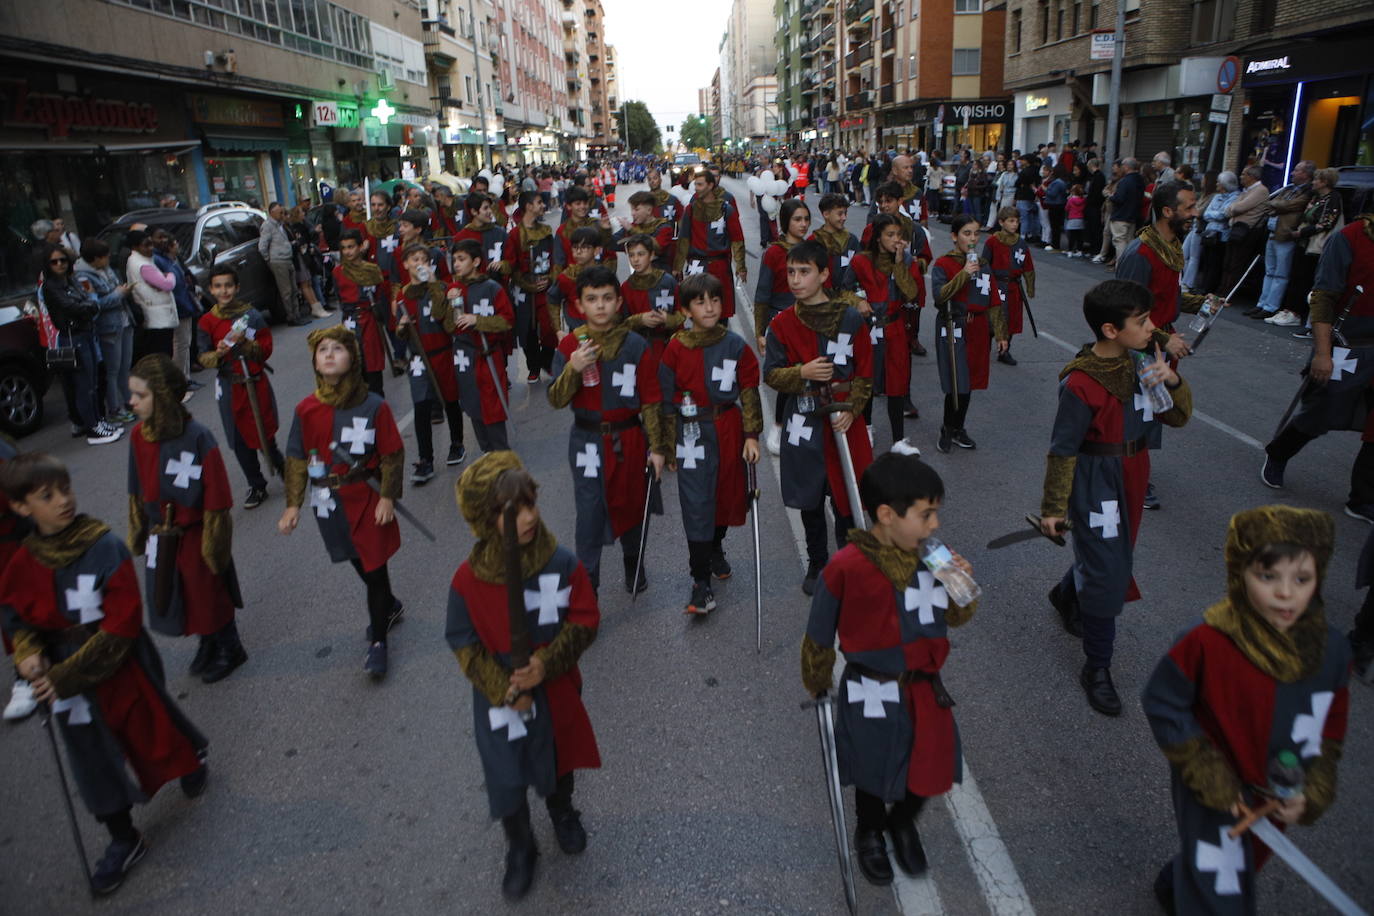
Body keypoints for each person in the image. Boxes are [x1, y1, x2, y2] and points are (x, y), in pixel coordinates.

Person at [0, 452, 208, 895]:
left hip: (114, 664)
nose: (63, 501)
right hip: (63, 683)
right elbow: (18, 621)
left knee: (148, 726)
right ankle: (122, 836)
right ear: (21, 507)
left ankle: (187, 756)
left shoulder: (103, 545)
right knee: (89, 758)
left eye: (66, 489)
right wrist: (29, 653)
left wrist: (62, 676)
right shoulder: (22, 565)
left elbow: (121, 624)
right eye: (47, 496)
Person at [1142, 506, 1350, 915]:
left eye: (1302, 578)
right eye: (1267, 576)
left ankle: (1175, 882)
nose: (1286, 593)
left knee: (1244, 864)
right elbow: (1163, 702)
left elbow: (1329, 729)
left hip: (1277, 795)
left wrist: (1313, 792)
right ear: (1241, 574)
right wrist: (1212, 778)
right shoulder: (1207, 641)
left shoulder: (1333, 652)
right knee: (1220, 890)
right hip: (1216, 789)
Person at [800, 452, 977, 885]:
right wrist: (818, 679)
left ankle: (903, 822)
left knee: (930, 763)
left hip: (923, 686)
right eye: (926, 514)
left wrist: (961, 589)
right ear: (886, 515)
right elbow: (820, 632)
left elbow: (958, 615)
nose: (935, 524)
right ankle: (871, 831)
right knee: (873, 767)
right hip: (872, 687)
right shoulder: (846, 567)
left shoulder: (934, 556)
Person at [446, 450, 601, 900]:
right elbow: (462, 640)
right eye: (514, 512)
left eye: (531, 504)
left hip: (552, 690)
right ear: (483, 518)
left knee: (557, 761)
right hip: (502, 700)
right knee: (506, 775)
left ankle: (562, 811)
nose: (529, 517)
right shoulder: (467, 580)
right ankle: (519, 844)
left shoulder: (560, 563)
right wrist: (503, 687)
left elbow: (585, 618)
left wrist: (547, 664)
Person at [1041, 280, 1193, 715]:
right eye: (1142, 322)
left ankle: (1067, 592)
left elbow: (1178, 417)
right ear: (1111, 329)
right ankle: (1098, 668)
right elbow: (1063, 449)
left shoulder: (1146, 361)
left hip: (1134, 472)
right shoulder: (1080, 383)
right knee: (1109, 570)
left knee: (1113, 553)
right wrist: (1053, 508)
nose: (1153, 329)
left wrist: (1173, 379)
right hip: (1096, 480)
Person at [278, 326, 405, 678]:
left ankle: (378, 642)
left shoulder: (373, 405)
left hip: (366, 498)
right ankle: (388, 605)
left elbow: (392, 455)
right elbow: (297, 458)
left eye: (338, 348)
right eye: (322, 350)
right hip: (329, 503)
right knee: (358, 562)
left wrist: (387, 496)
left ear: (353, 358)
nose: (330, 354)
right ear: (315, 363)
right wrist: (293, 505)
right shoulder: (306, 410)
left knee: (375, 569)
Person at [547, 265, 668, 593]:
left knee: (631, 503)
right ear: (579, 305)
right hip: (586, 440)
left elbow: (652, 400)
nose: (600, 305)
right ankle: (588, 585)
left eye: (606, 298)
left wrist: (657, 448)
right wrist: (574, 369)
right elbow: (556, 399)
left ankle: (634, 562)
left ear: (618, 302)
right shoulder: (571, 345)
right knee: (589, 513)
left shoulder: (635, 345)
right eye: (591, 299)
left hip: (628, 437)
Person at [126, 354, 246, 683]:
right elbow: (135, 484)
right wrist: (139, 528)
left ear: (163, 396)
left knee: (208, 593)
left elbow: (217, 493)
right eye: (133, 394)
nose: (132, 402)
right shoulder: (139, 436)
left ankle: (229, 645)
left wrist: (214, 541)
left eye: (141, 395)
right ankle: (207, 642)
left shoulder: (196, 437)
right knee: (179, 593)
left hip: (195, 533)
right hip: (160, 534)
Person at [763, 241, 874, 595]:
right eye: (791, 272)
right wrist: (803, 371)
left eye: (804, 272)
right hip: (804, 419)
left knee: (846, 495)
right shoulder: (782, 324)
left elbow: (866, 374)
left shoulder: (851, 318)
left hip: (842, 419)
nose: (795, 280)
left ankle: (849, 562)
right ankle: (817, 561)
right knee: (810, 497)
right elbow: (772, 375)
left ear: (824, 274)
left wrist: (853, 409)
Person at [1260, 203, 1374, 522]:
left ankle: (1363, 497)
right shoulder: (1348, 239)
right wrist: (1323, 354)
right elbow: (1323, 297)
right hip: (1347, 345)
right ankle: (1278, 453)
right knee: (1321, 412)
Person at [658, 272, 763, 614]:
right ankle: (699, 581)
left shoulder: (734, 345)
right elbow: (665, 397)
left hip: (727, 428)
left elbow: (748, 391)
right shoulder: (675, 346)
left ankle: (716, 547)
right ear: (686, 310)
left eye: (715, 300)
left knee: (724, 496)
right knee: (696, 502)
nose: (710, 307)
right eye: (701, 302)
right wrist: (666, 444)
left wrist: (751, 436)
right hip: (692, 434)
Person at [196, 266, 283, 509]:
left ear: (237, 288)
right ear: (211, 289)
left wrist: (246, 344)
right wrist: (218, 354)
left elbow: (265, 348)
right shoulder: (207, 321)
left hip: (253, 383)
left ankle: (285, 469)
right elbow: (202, 357)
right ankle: (256, 484)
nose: (224, 291)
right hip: (229, 384)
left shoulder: (251, 316)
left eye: (228, 285)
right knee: (238, 439)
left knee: (263, 432)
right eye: (218, 286)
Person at [929, 215, 1008, 453]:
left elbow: (993, 300)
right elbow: (940, 296)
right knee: (956, 381)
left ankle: (959, 427)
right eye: (966, 233)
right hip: (953, 326)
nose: (972, 238)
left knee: (970, 381)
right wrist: (964, 272)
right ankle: (947, 427)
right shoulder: (944, 264)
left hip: (978, 329)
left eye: (975, 234)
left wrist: (1001, 334)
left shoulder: (984, 265)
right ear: (954, 236)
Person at [393, 244, 467, 481]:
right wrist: (402, 326)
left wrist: (434, 284)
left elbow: (441, 316)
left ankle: (457, 443)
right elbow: (400, 332)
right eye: (415, 259)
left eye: (424, 259)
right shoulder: (403, 295)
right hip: (419, 358)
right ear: (405, 264)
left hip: (442, 352)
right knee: (421, 406)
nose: (420, 263)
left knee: (450, 399)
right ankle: (426, 459)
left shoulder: (440, 288)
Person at [844, 213, 918, 449]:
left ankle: (898, 438)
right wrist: (857, 301)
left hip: (894, 326)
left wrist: (899, 263)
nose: (896, 239)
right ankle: (866, 427)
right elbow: (842, 291)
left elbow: (911, 293)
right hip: (869, 328)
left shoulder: (905, 261)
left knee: (896, 381)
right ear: (878, 238)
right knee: (866, 377)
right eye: (890, 235)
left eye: (899, 235)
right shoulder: (860, 261)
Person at [445, 238, 514, 454]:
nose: (456, 264)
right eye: (454, 259)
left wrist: (478, 320)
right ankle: (486, 453)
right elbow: (450, 326)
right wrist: (450, 305)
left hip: (488, 355)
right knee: (473, 404)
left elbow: (507, 321)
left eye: (461, 259)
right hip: (465, 355)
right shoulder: (454, 290)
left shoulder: (492, 288)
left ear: (475, 262)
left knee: (492, 406)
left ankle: (501, 455)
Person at [1270, 166, 1343, 329]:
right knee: (1296, 275)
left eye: (1317, 179)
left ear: (1325, 182)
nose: (1314, 182)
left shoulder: (1333, 199)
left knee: (1305, 278)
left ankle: (1297, 313)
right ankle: (1288, 310)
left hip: (1314, 244)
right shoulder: (1316, 197)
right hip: (1303, 242)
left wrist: (1302, 231)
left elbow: (1326, 223)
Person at [74, 239, 136, 426]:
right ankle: (115, 409)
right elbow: (94, 305)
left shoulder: (106, 269)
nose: (109, 258)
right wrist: (118, 294)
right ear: (95, 259)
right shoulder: (83, 277)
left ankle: (129, 402)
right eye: (105, 256)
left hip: (124, 321)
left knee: (125, 367)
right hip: (108, 327)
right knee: (113, 370)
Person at [674, 168, 747, 319]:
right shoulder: (691, 209)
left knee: (720, 313)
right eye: (695, 184)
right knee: (698, 313)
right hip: (697, 266)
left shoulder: (726, 209)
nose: (696, 188)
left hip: (719, 267)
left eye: (700, 185)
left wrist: (741, 267)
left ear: (710, 185)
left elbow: (737, 239)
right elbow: (684, 239)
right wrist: (678, 267)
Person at [1249, 160, 1314, 321]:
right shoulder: (1289, 189)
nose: (1292, 173)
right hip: (1273, 232)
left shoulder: (1307, 192)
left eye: (1297, 170)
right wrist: (1278, 205)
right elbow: (1272, 203)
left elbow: (1289, 205)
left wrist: (1277, 205)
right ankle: (1262, 303)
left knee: (1280, 274)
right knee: (1269, 271)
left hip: (1285, 235)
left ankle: (1271, 306)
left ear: (1306, 174)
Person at [506, 191, 558, 382]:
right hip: (524, 290)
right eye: (538, 202)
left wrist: (550, 278)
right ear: (528, 206)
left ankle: (547, 360)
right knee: (527, 329)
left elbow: (554, 259)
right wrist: (525, 282)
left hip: (544, 287)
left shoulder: (545, 232)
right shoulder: (514, 235)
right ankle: (533, 366)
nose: (542, 205)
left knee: (550, 327)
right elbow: (511, 263)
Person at [333, 229, 391, 395]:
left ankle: (378, 403)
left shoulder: (372, 270)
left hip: (370, 320)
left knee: (372, 363)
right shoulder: (338, 272)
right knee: (354, 363)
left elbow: (380, 295)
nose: (347, 251)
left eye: (351, 247)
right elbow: (340, 297)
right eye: (344, 248)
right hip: (350, 321)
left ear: (360, 247)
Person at [981, 207, 1035, 368]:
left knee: (1011, 319)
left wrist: (1030, 286)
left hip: (1013, 287)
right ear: (1001, 222)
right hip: (997, 285)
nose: (1015, 225)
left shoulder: (1021, 242)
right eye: (1011, 221)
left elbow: (1028, 265)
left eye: (1017, 221)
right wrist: (984, 286)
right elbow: (984, 264)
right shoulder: (992, 241)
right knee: (993, 318)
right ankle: (985, 349)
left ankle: (1004, 351)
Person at [619, 234, 682, 364]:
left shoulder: (668, 281)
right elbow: (620, 324)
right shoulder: (626, 287)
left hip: (666, 346)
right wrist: (640, 320)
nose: (635, 259)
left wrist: (668, 319)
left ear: (652, 255)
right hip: (638, 348)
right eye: (631, 255)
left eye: (641, 254)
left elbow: (682, 313)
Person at [125, 228, 179, 356]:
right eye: (146, 245)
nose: (151, 248)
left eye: (151, 244)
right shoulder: (143, 265)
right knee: (163, 353)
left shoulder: (137, 260)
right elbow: (167, 285)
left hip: (154, 313)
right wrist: (171, 275)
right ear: (135, 247)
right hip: (158, 316)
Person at [1221, 166, 1269, 299]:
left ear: (1251, 177)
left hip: (1246, 232)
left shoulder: (1261, 191)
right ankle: (1222, 290)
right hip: (1235, 230)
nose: (1240, 177)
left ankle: (1229, 294)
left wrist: (1233, 209)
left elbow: (1239, 207)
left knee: (1237, 263)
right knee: (1227, 262)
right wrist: (1232, 209)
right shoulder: (1246, 191)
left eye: (1243, 174)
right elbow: (1229, 208)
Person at [549, 226, 604, 338]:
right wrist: (558, 330)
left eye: (584, 247)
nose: (578, 252)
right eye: (575, 247)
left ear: (597, 250)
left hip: (604, 331)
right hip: (577, 333)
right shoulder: (567, 277)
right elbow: (552, 299)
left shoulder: (605, 275)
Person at [260, 202, 308, 327]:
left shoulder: (281, 225)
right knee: (286, 291)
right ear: (272, 213)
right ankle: (291, 316)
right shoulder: (268, 226)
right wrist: (269, 260)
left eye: (282, 212)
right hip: (278, 261)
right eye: (279, 212)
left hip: (287, 258)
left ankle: (297, 314)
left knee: (294, 289)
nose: (282, 214)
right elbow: (262, 246)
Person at [1197, 171, 1239, 296]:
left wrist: (1214, 214)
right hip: (1209, 232)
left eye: (1219, 182)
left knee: (1215, 263)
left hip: (1221, 235)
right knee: (1207, 262)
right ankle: (1203, 286)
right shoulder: (1216, 196)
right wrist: (1215, 214)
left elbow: (1224, 214)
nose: (1216, 184)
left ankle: (1209, 288)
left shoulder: (1235, 197)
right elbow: (1206, 213)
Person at [619, 191, 674, 271]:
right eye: (632, 210)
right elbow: (614, 243)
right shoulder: (633, 226)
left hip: (660, 273)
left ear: (649, 210)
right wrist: (606, 229)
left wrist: (632, 230)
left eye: (636, 209)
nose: (632, 213)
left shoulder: (664, 227)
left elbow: (657, 248)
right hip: (638, 274)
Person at [1108, 158, 1144, 265]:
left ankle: (1121, 265)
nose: (1121, 168)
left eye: (1123, 166)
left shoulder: (1125, 181)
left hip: (1121, 215)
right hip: (1133, 215)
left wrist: (1111, 196)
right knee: (1128, 241)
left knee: (1119, 241)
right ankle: (1128, 265)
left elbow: (1119, 198)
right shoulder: (1140, 181)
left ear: (1127, 167)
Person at [1064, 183, 1087, 258]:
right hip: (1080, 218)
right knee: (1080, 236)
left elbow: (1067, 208)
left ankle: (1070, 251)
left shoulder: (1070, 200)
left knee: (1072, 236)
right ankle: (1079, 250)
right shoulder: (1083, 200)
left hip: (1072, 219)